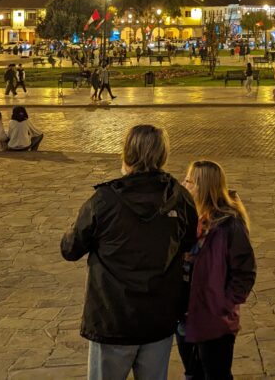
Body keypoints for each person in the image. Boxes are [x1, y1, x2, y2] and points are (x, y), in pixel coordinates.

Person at [61, 124, 197, 380]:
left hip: (113, 318)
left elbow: (70, 248)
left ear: (127, 153)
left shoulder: (104, 200)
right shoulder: (179, 197)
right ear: (162, 155)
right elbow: (188, 242)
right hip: (159, 317)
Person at [176, 161, 256, 379]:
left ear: (203, 187)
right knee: (192, 374)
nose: (183, 183)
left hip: (214, 321)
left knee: (216, 375)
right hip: (185, 317)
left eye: (189, 181)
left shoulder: (229, 226)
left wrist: (223, 304)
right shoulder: (188, 219)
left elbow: (245, 272)